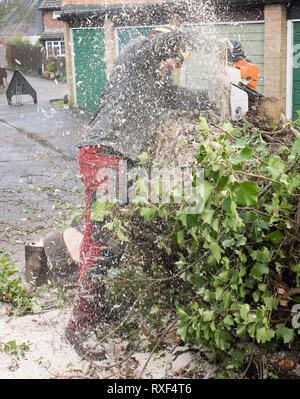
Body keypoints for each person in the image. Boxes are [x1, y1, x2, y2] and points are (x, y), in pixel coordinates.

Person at [65, 27, 212, 360]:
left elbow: (183, 98)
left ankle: (95, 309)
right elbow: (165, 44)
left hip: (114, 160)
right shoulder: (137, 54)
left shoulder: (153, 83)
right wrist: (204, 37)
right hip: (105, 155)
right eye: (177, 59)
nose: (176, 66)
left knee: (106, 237)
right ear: (161, 45)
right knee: (106, 242)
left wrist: (215, 99)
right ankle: (78, 327)